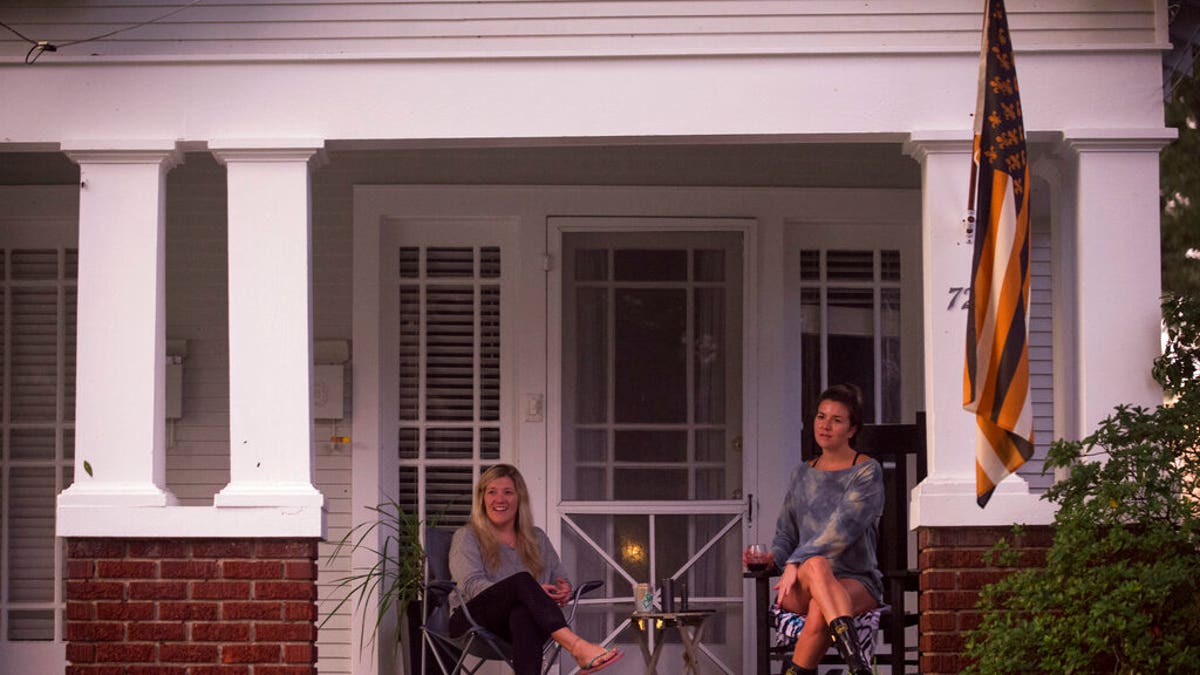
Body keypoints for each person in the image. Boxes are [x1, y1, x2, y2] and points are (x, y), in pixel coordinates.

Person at [750, 384, 883, 675]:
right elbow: (786, 532)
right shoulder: (801, 473)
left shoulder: (866, 471)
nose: (825, 425)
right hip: (801, 582)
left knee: (819, 605)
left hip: (856, 579)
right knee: (817, 567)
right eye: (821, 417)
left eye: (837, 419)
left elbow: (843, 528)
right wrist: (775, 558)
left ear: (851, 429)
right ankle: (858, 667)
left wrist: (797, 560)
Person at [449, 464, 623, 675]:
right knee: (522, 581)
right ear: (482, 498)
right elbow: (471, 585)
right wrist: (524, 591)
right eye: (492, 492)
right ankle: (577, 647)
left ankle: (574, 649)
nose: (499, 499)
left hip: (520, 623)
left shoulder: (537, 537)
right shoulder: (467, 536)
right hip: (472, 619)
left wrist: (563, 589)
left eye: (508, 492)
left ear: (519, 498)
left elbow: (559, 575)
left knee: (523, 613)